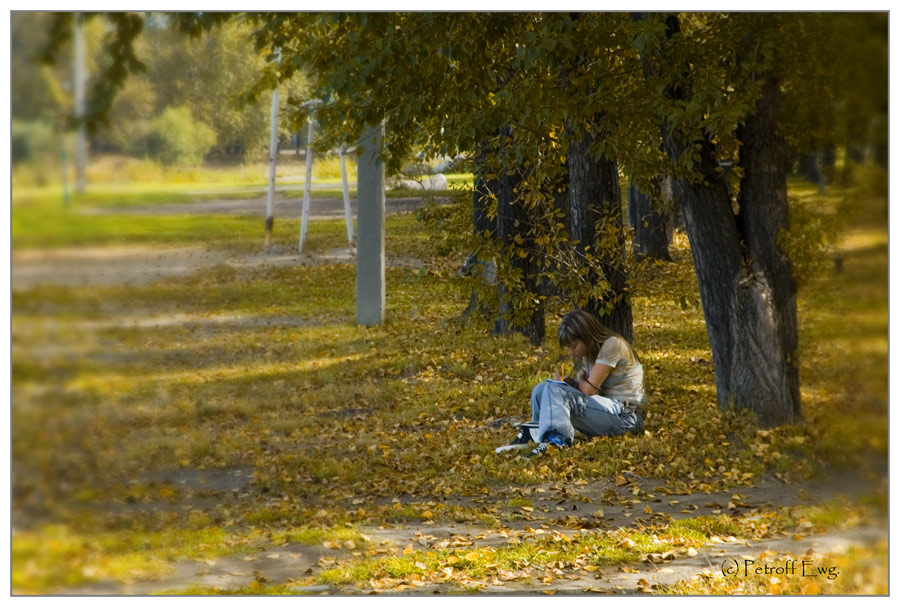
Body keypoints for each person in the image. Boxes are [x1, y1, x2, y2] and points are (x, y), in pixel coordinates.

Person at [509, 309, 645, 456]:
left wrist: (579, 379)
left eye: (573, 346)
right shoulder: (591, 353)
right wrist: (571, 383)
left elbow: (588, 391)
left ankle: (556, 441)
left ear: (587, 337)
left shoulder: (612, 345)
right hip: (608, 411)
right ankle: (535, 432)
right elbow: (589, 392)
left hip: (627, 418)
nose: (570, 352)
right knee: (542, 389)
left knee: (555, 390)